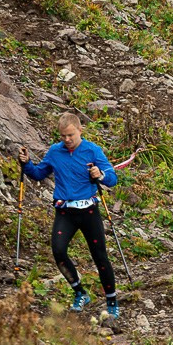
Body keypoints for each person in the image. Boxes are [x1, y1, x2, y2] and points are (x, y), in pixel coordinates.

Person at [18, 112, 120, 317]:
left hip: (89, 211)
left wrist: (100, 175)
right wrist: (27, 163)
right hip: (65, 211)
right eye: (63, 136)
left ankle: (112, 302)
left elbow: (113, 178)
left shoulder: (92, 151)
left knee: (100, 256)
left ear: (80, 130)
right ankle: (80, 293)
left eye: (70, 135)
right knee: (58, 251)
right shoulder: (55, 152)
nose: (67, 140)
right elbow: (39, 174)